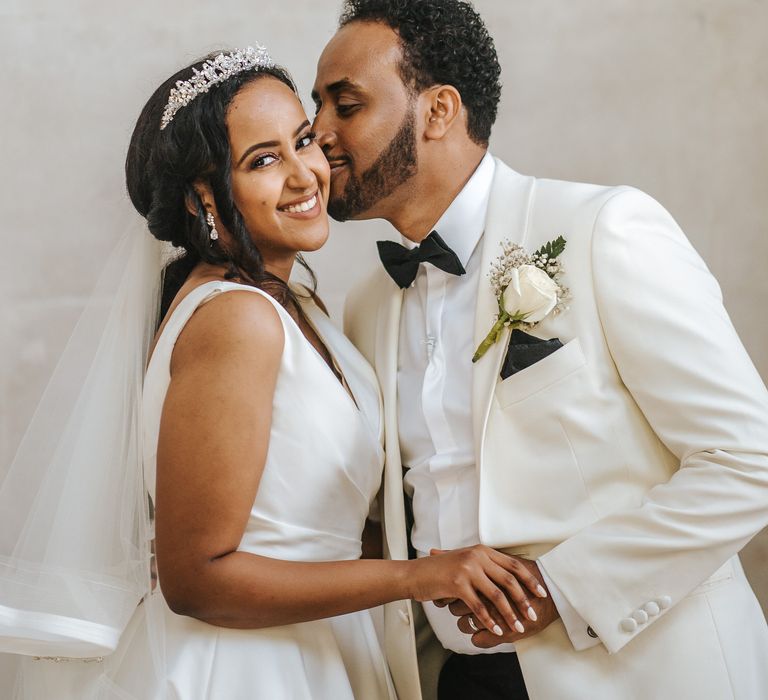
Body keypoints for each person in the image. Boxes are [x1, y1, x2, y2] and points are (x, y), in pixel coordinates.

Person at [0, 47, 547, 699]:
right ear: (204, 196)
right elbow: (198, 578)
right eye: (263, 160)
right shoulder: (236, 320)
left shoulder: (293, 307)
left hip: (321, 645)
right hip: (242, 669)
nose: (305, 174)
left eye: (304, 142)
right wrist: (422, 576)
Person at [311, 1, 768, 699]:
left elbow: (748, 459)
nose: (318, 135)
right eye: (319, 108)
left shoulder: (602, 229)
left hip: (640, 674)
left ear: (439, 111)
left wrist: (564, 587)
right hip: (452, 678)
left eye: (345, 106)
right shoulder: (368, 305)